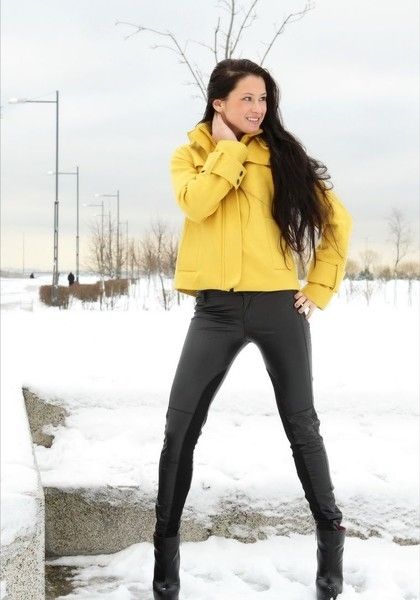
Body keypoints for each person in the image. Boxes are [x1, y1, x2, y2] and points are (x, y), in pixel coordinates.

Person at [152, 58, 352, 600]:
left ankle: (330, 549)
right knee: (180, 429)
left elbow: (338, 222)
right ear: (218, 102)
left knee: (302, 427)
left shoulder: (283, 158)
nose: (259, 108)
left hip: (277, 308)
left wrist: (318, 288)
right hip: (214, 311)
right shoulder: (190, 156)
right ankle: (165, 566)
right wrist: (228, 151)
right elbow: (197, 204)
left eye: (264, 99)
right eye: (247, 99)